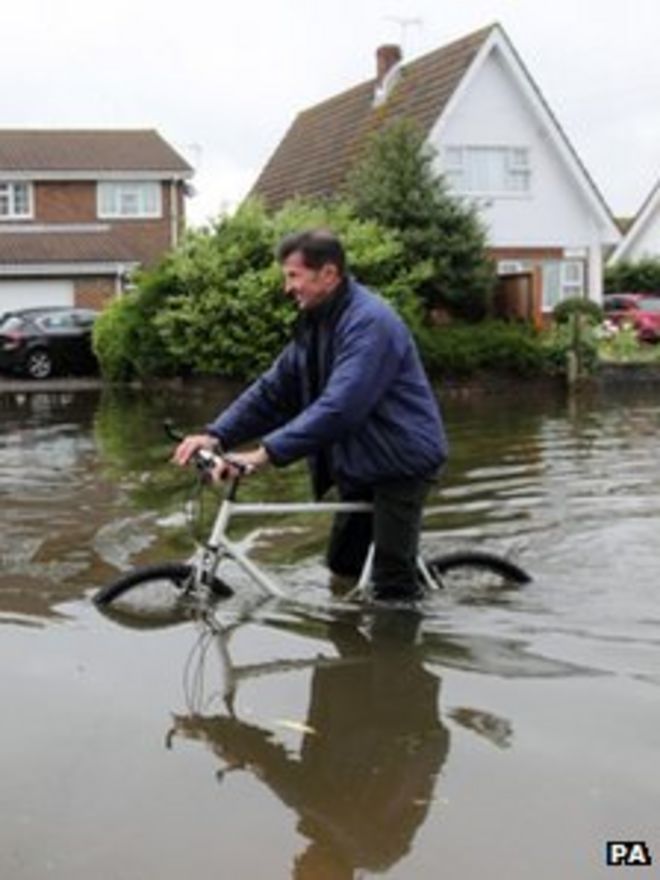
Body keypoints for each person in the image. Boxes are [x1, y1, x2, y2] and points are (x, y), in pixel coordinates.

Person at [173, 229, 448, 600]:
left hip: (400, 461)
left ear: (329, 274)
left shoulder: (370, 323)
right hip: (361, 461)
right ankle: (352, 648)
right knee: (342, 565)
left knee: (391, 584)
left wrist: (262, 455)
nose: (287, 288)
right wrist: (216, 435)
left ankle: (400, 648)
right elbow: (272, 392)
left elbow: (340, 407)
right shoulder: (318, 324)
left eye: (293, 276)